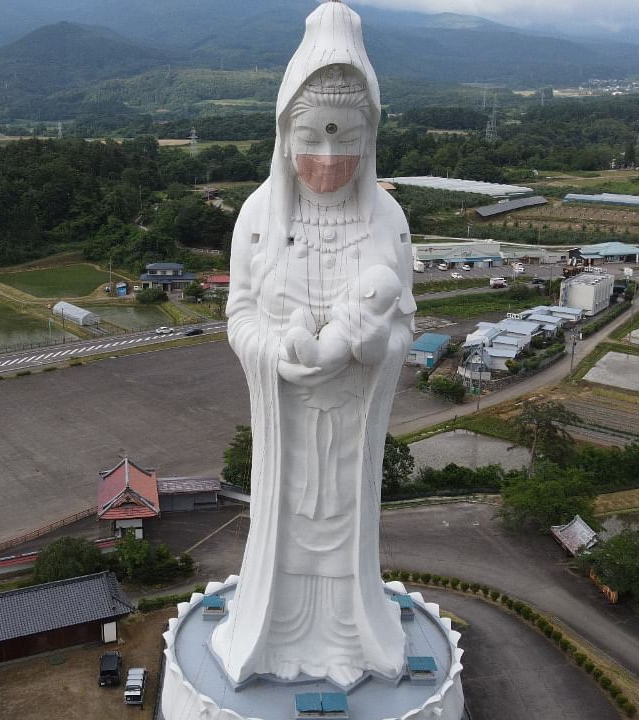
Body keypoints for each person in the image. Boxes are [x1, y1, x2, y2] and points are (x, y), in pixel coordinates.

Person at [209, 1, 414, 687]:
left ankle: (354, 633)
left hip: (352, 417)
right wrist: (275, 352)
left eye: (344, 136)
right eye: (312, 136)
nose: (327, 158)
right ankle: (271, 631)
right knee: (288, 521)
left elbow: (405, 317)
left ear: (369, 133)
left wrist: (372, 345)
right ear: (284, 131)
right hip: (288, 413)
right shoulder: (258, 219)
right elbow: (238, 311)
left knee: (344, 524)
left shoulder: (387, 219)